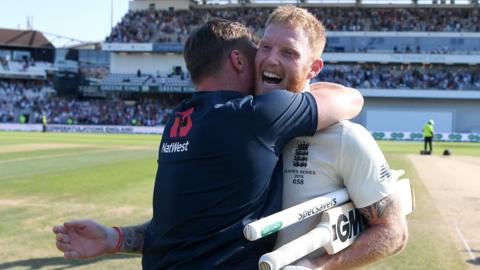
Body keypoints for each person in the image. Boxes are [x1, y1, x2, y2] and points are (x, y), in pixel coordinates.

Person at [53, 18, 363, 269]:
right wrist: (306, 77)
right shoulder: (254, 116)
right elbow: (351, 99)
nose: (265, 61)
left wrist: (116, 238)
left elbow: (182, 228)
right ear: (238, 60)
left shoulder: (177, 121)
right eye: (259, 52)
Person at [254, 6, 408, 269]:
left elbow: (394, 232)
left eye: (288, 52)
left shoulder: (345, 138)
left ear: (313, 68)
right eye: (265, 47)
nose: (271, 59)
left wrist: (318, 267)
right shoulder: (236, 118)